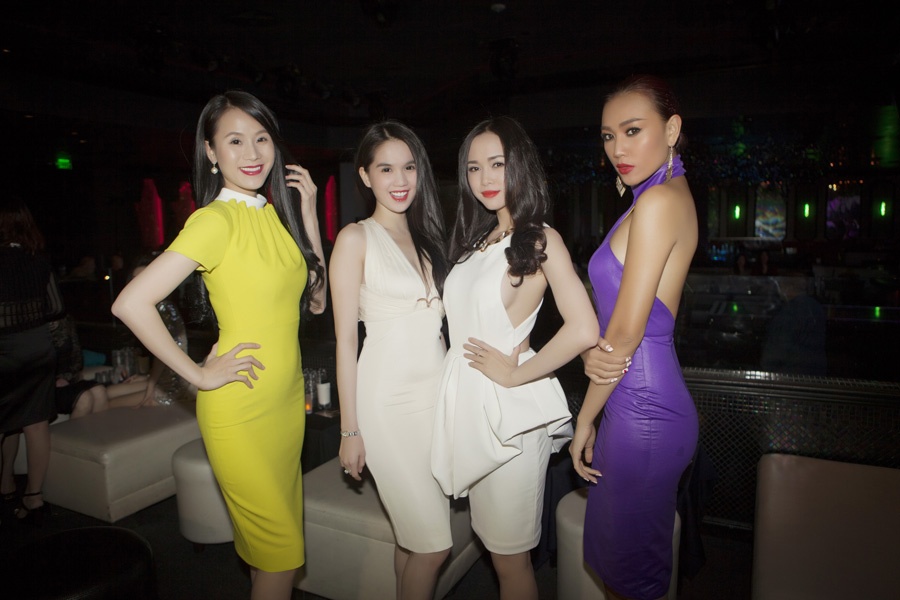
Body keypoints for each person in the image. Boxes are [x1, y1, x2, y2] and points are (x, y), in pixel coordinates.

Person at [112, 90, 326, 600]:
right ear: (210, 151)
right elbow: (130, 303)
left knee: (266, 553)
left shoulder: (272, 215)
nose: (252, 153)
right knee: (282, 556)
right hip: (240, 408)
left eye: (261, 139)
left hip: (285, 406)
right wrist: (198, 374)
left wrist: (310, 214)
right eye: (235, 141)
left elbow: (317, 303)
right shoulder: (214, 220)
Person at [431, 116, 598, 600]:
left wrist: (517, 372)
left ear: (520, 166)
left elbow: (584, 327)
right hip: (469, 408)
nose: (484, 178)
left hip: (509, 418)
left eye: (497, 164)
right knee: (493, 545)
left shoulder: (539, 237)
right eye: (474, 167)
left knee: (510, 560)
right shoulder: (476, 241)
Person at [570, 75, 699, 600]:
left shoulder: (657, 202)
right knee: (622, 576)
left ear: (671, 129)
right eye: (608, 136)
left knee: (631, 581)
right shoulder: (660, 196)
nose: (617, 149)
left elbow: (624, 334)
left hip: (643, 413)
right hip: (637, 404)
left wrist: (584, 418)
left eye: (631, 131)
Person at [331, 121, 451, 600]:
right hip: (387, 406)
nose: (400, 180)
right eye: (386, 169)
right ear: (365, 176)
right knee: (434, 547)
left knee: (411, 538)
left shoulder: (427, 236)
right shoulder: (355, 238)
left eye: (409, 167)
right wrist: (349, 430)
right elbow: (345, 342)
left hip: (434, 402)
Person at [0, 197, 63, 526]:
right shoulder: (38, 259)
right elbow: (55, 308)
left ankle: (5, 486)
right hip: (37, 347)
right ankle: (34, 498)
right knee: (35, 421)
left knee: (5, 421)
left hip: (4, 349)